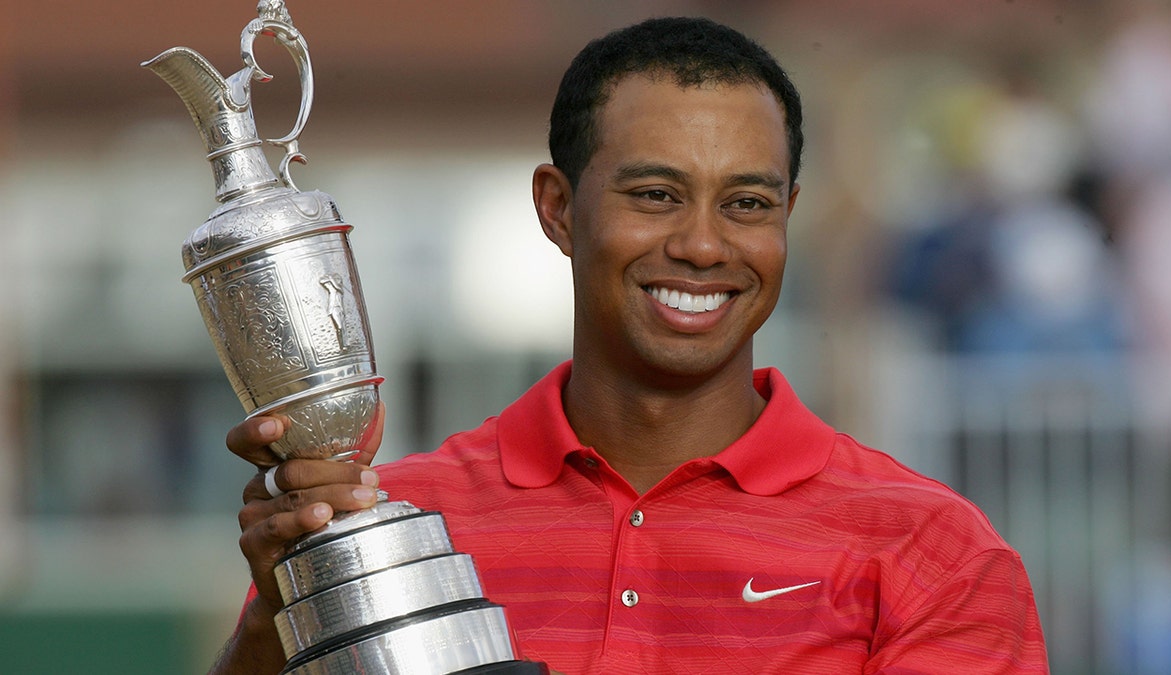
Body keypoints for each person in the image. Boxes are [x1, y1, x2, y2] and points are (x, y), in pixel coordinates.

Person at [212, 17, 1049, 674]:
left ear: (788, 216)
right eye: (656, 194)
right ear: (558, 209)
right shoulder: (400, 524)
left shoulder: (932, 553)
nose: (702, 244)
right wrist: (285, 608)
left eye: (748, 204)